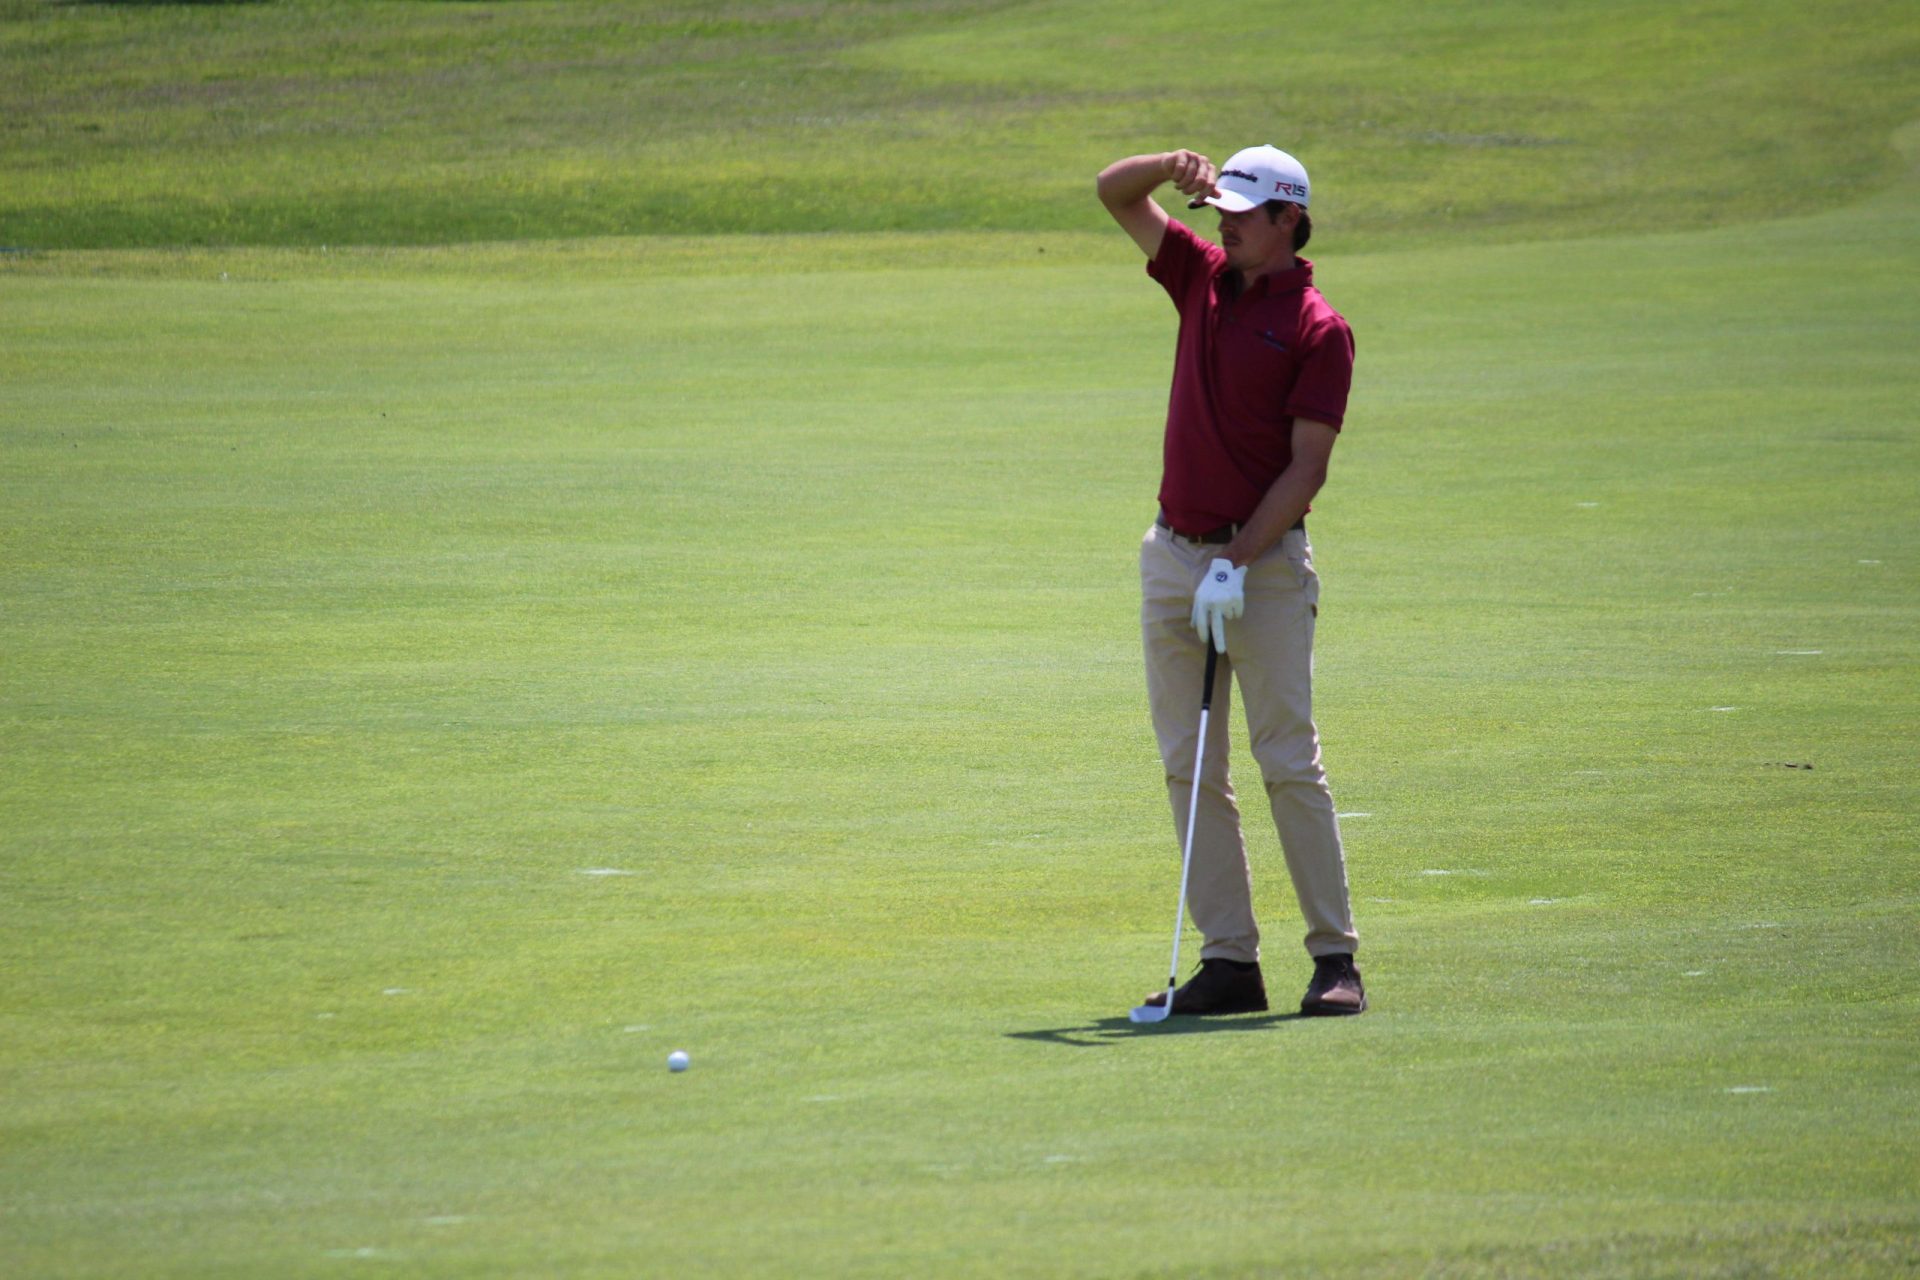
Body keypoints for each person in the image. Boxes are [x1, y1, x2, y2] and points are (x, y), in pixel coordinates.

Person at [1096, 144, 1365, 1017]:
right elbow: (1114, 194)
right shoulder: (1201, 277)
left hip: (1265, 569)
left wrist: (1240, 558)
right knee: (1190, 766)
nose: (1229, 223)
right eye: (1225, 209)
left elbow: (1306, 470)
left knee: (1289, 762)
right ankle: (1229, 962)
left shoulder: (1319, 329)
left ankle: (1334, 959)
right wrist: (1171, 165)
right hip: (1173, 556)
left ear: (1291, 219)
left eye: (1247, 213)